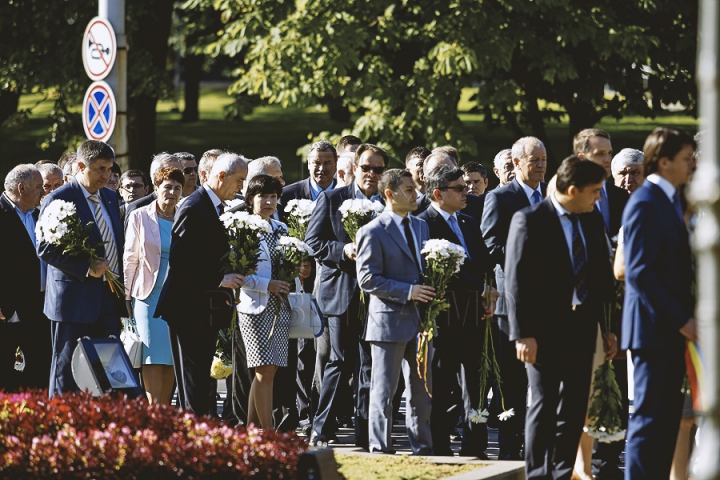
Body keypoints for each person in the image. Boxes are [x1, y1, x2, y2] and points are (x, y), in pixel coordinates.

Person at [505, 156, 615, 480]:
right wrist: (522, 333)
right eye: (594, 191)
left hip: (582, 327)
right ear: (572, 189)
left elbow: (600, 279)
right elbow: (516, 280)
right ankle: (538, 474)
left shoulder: (591, 218)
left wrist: (607, 329)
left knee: (575, 406)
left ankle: (563, 472)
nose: (598, 198)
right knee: (543, 404)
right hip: (542, 331)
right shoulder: (530, 220)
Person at [622, 127, 697, 480]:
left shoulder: (669, 201)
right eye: (686, 158)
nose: (692, 164)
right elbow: (639, 272)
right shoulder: (645, 202)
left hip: (667, 331)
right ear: (665, 162)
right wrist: (683, 320)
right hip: (653, 332)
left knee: (667, 421)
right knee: (650, 420)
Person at [306, 143, 387, 449]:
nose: (371, 174)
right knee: (339, 361)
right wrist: (344, 250)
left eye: (378, 169)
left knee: (369, 366)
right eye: (366, 167)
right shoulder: (333, 198)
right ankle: (321, 429)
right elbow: (313, 242)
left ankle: (366, 435)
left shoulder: (388, 203)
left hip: (377, 297)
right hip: (340, 292)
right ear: (354, 168)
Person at [155, 154, 247, 416]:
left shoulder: (212, 205)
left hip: (202, 309)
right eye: (239, 180)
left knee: (199, 383)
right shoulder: (195, 206)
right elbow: (181, 260)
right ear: (221, 177)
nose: (241, 186)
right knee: (192, 382)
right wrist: (220, 279)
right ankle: (193, 439)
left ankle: (197, 433)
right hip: (188, 309)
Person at [417, 164, 496, 457]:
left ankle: (476, 446)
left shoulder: (467, 221)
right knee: (442, 386)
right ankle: (440, 447)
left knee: (477, 385)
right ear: (438, 193)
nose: (467, 192)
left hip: (475, 316)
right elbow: (448, 271)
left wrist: (492, 289)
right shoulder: (423, 223)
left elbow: (483, 261)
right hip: (444, 318)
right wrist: (481, 288)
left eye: (467, 187)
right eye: (459, 188)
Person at [356, 169, 435, 455]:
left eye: (415, 188)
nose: (415, 194)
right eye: (409, 189)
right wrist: (407, 291)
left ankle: (422, 449)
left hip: (421, 322)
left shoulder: (421, 227)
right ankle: (380, 449)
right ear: (390, 194)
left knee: (421, 392)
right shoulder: (371, 231)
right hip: (388, 322)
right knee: (384, 391)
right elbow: (367, 279)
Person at [38, 140, 125, 396]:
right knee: (67, 371)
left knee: (109, 371)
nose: (106, 175)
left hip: (108, 299)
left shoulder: (110, 197)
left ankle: (101, 427)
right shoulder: (59, 198)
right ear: (79, 166)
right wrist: (87, 268)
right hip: (73, 302)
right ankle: (60, 426)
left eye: (109, 169)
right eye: (99, 169)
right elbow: (45, 248)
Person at [480, 136, 547, 460]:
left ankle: (541, 449)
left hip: (550, 303)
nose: (541, 166)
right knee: (512, 383)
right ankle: (508, 450)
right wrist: (530, 255)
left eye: (544, 160)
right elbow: (490, 244)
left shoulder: (551, 196)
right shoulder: (500, 197)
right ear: (517, 163)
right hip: (513, 303)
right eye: (534, 160)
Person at [123, 167, 184, 405]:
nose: (172, 192)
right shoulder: (140, 216)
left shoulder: (184, 215)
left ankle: (164, 409)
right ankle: (153, 411)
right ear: (155, 188)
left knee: (170, 357)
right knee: (151, 357)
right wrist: (125, 297)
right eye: (167, 187)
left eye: (177, 188)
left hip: (177, 297)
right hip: (147, 297)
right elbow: (130, 259)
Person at [235, 175, 291, 429]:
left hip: (280, 307)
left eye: (273, 197)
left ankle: (252, 431)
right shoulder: (240, 227)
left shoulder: (282, 229)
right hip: (253, 307)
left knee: (270, 371)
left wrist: (298, 271)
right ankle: (269, 434)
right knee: (263, 370)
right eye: (262, 196)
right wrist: (266, 285)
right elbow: (238, 273)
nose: (269, 202)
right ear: (250, 199)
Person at [0, 164, 51, 391]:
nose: (43, 191)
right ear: (21, 188)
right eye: (39, 186)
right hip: (5, 309)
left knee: (40, 369)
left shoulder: (41, 215)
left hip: (38, 308)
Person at [573, 129, 628, 237]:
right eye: (600, 154)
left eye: (609, 153)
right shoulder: (572, 197)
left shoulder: (621, 196)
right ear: (582, 158)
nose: (607, 159)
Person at [124, 153, 182, 231]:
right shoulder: (137, 209)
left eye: (180, 172)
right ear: (156, 177)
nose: (176, 177)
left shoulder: (186, 205)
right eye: (169, 171)